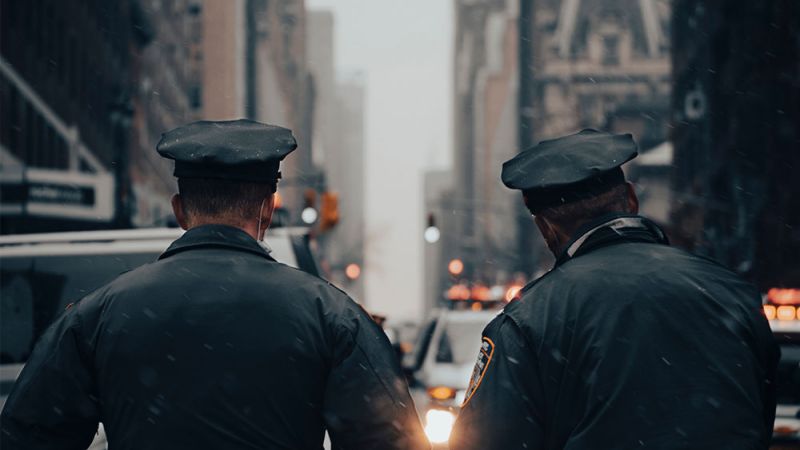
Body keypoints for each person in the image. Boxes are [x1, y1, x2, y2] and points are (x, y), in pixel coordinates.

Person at [0, 119, 429, 450]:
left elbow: (28, 436)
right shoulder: (331, 315)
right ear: (267, 210)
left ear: (178, 210)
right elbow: (390, 440)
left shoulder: (98, 314)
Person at [449, 129, 779, 449]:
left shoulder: (530, 319)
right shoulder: (732, 292)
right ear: (632, 199)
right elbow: (760, 416)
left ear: (545, 227)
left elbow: (483, 441)